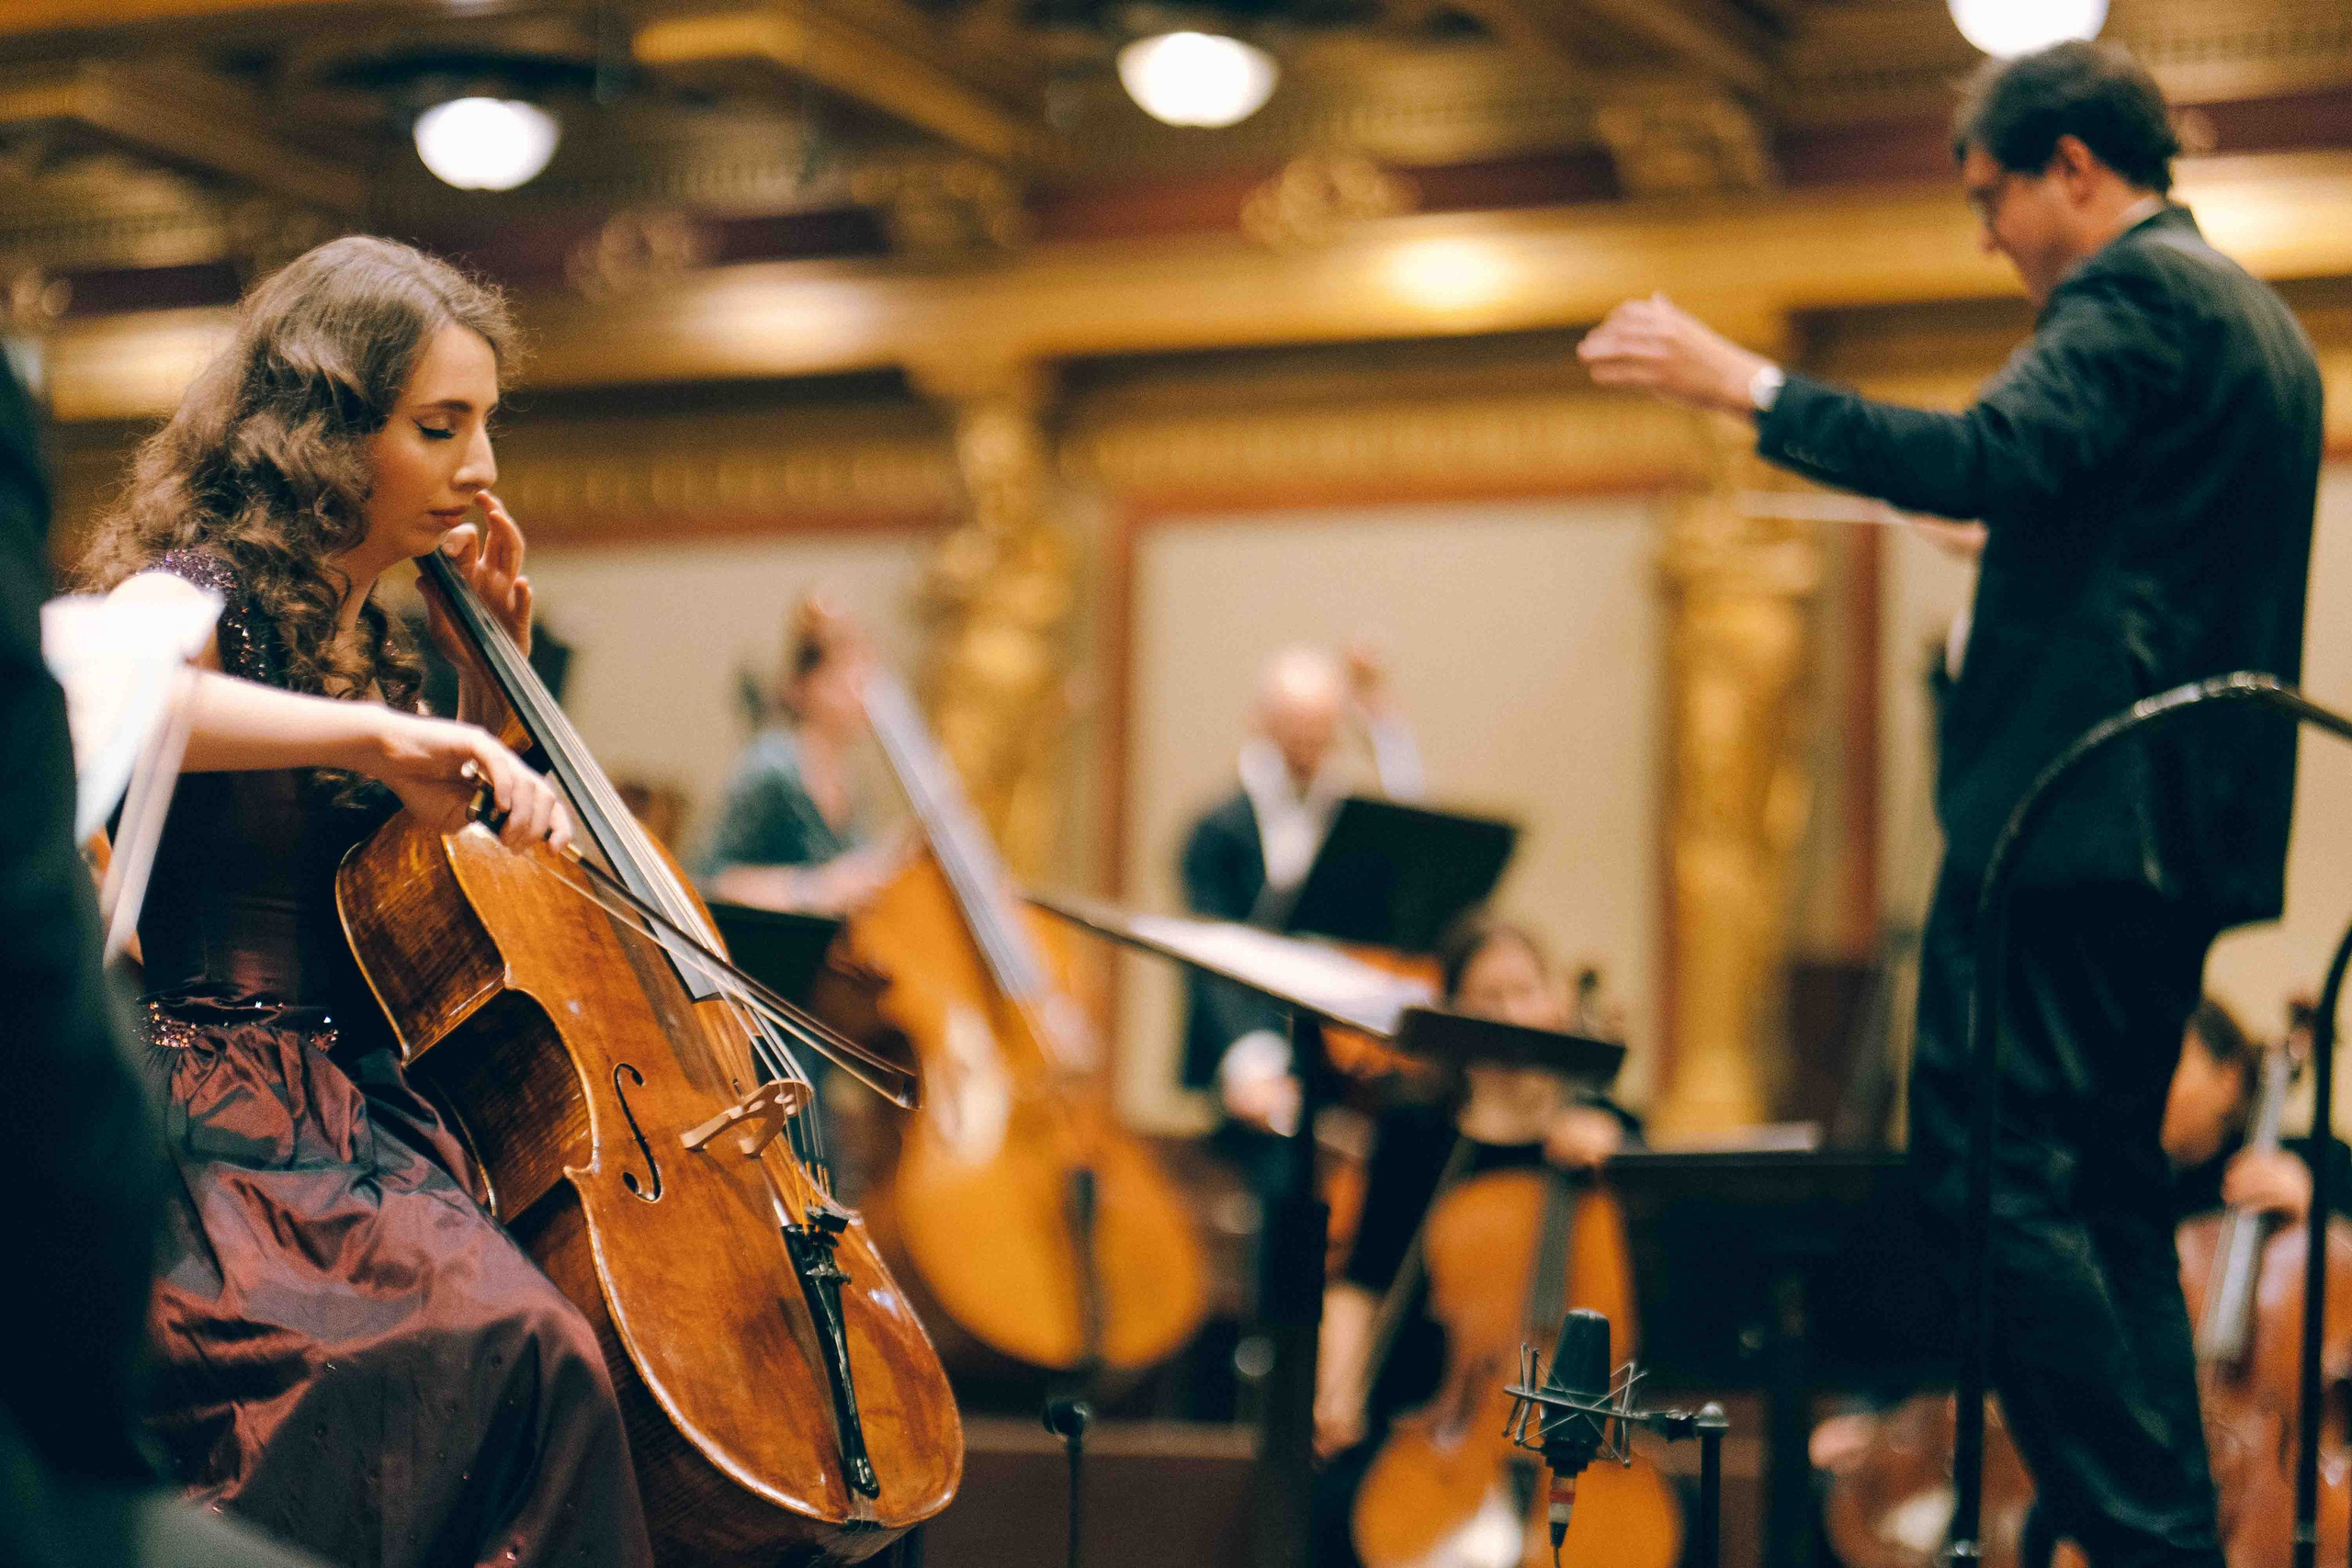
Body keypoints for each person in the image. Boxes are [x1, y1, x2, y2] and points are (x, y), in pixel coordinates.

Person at [1581, 41, 2321, 1567]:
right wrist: (2029, 557)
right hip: (2181, 829)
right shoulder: (2260, 323)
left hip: (2070, 822)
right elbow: (2150, 547)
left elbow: (1987, 452)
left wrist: (1746, 384)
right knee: (2109, 1191)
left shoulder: (2131, 294)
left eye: (1994, 197)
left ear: (2074, 168)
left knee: (1995, 1179)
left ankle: (2139, 1536)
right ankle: (2161, 1529)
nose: (1987, 236)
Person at [74, 234, 655, 1567]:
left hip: (353, 1110)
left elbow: (405, 902)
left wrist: (476, 703)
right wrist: (381, 743)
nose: (483, 465)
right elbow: (104, 700)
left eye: (487, 423)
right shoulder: (200, 590)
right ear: (329, 437)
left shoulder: (375, 644)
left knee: (543, 1360)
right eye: (439, 424)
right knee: (501, 1351)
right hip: (209, 1121)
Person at [1307, 916, 1638, 1568]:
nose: (1510, 1012)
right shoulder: (1415, 1133)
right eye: (1487, 997)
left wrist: (1620, 1156)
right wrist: (1336, 1388)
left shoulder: (1609, 1134)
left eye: (1525, 990)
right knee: (1335, 1511)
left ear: (1555, 1002)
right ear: (1454, 1016)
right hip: (1437, 1418)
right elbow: (1362, 1281)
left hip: (1581, 1432)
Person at [1180, 641, 1425, 1136]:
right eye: (1298, 729)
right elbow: (1213, 956)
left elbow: (1417, 840)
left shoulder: (1341, 810)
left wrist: (1380, 723)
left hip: (1338, 1053)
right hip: (1249, 1057)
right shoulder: (1215, 831)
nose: (1312, 744)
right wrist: (1250, 1063)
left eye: (1323, 731)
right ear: (1264, 721)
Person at [698, 594, 902, 913]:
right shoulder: (772, 766)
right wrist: (817, 888)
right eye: (846, 670)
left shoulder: (852, 782)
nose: (862, 688)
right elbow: (713, 881)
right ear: (803, 686)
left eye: (867, 672)